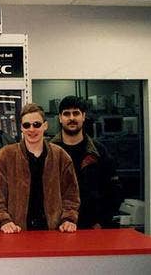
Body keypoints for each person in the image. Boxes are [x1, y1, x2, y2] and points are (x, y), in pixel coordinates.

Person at [0, 103, 80, 233]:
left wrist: (68, 219)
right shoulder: (3, 157)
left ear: (45, 125)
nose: (32, 129)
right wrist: (4, 221)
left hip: (53, 233)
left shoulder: (61, 157)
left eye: (36, 124)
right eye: (26, 125)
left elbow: (71, 195)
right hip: (15, 233)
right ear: (21, 128)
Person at [51, 95, 122, 229]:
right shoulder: (49, 152)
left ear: (83, 116)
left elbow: (114, 191)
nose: (71, 118)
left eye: (76, 113)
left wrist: (102, 222)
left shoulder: (99, 152)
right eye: (66, 114)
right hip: (57, 227)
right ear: (60, 118)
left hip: (92, 227)